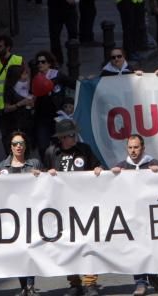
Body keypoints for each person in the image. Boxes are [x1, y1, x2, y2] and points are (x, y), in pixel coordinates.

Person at [44, 119, 103, 296]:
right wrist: (47, 174)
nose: (73, 137)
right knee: (67, 245)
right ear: (62, 138)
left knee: (87, 242)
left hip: (84, 204)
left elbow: (97, 165)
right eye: (70, 135)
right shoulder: (52, 152)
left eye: (74, 134)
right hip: (61, 207)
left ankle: (90, 282)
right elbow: (42, 178)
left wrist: (98, 170)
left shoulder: (84, 150)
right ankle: (74, 282)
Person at [111, 135, 158, 296]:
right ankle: (140, 283)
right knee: (135, 249)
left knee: (151, 249)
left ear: (143, 148)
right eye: (130, 148)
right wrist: (111, 175)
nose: (133, 151)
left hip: (150, 216)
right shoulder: (121, 166)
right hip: (131, 216)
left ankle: (153, 276)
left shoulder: (153, 164)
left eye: (136, 147)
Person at [0, 130, 43, 296]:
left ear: (26, 146)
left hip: (30, 213)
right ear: (10, 147)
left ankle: (30, 284)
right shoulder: (3, 166)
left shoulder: (34, 163)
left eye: (21, 143)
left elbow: (46, 185)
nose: (18, 146)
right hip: (11, 215)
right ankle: (23, 285)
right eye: (15, 144)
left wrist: (40, 175)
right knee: (17, 251)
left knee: (30, 249)